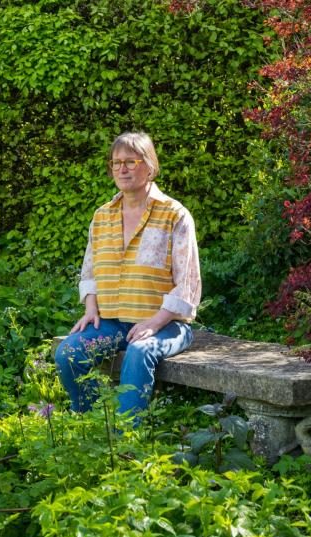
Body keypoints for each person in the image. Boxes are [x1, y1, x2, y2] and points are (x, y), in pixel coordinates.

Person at [55, 131, 201, 419]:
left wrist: (155, 322)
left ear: (149, 166)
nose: (122, 169)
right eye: (116, 162)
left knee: (139, 351)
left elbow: (188, 282)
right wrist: (91, 307)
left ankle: (126, 439)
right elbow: (90, 267)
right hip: (111, 323)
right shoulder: (102, 215)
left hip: (166, 325)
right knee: (67, 353)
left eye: (131, 162)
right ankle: (93, 425)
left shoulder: (175, 214)